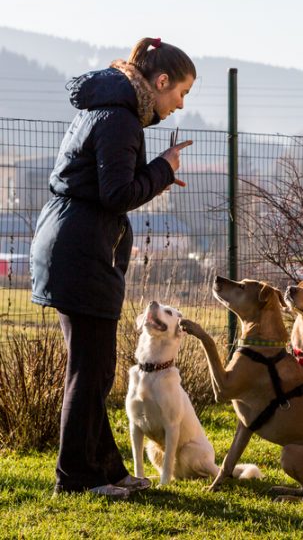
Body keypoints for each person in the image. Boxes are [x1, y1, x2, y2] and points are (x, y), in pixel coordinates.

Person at [30, 37, 196, 498]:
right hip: (81, 252)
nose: (180, 104)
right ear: (160, 82)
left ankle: (106, 469)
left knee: (94, 369)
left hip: (71, 244)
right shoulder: (121, 119)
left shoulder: (109, 107)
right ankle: (78, 478)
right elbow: (116, 194)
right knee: (90, 372)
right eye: (180, 92)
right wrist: (162, 169)